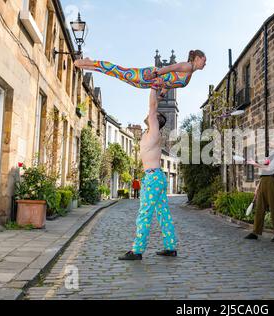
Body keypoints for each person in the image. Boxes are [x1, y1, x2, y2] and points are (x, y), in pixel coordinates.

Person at [119, 89, 177, 261]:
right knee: (163, 213)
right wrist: (158, 97)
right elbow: (153, 107)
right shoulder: (152, 133)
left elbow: (151, 108)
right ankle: (170, 247)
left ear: (156, 121)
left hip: (152, 178)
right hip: (156, 177)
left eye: (153, 115)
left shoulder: (153, 131)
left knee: (144, 214)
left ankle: (137, 251)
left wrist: (153, 87)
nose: (150, 114)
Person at [74, 50, 206, 98]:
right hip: (149, 75)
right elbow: (171, 68)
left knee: (116, 74)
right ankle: (92, 62)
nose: (205, 64)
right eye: (204, 61)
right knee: (120, 71)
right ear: (198, 58)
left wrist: (161, 95)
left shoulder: (189, 74)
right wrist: (155, 74)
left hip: (147, 83)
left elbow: (170, 83)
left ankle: (88, 65)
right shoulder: (188, 66)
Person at [244, 138, 274, 242]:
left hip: (271, 182)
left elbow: (270, 169)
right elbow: (263, 172)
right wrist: (258, 186)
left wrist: (255, 164)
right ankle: (255, 232)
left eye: (272, 142)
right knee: (259, 208)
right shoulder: (269, 157)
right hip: (263, 182)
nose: (269, 143)